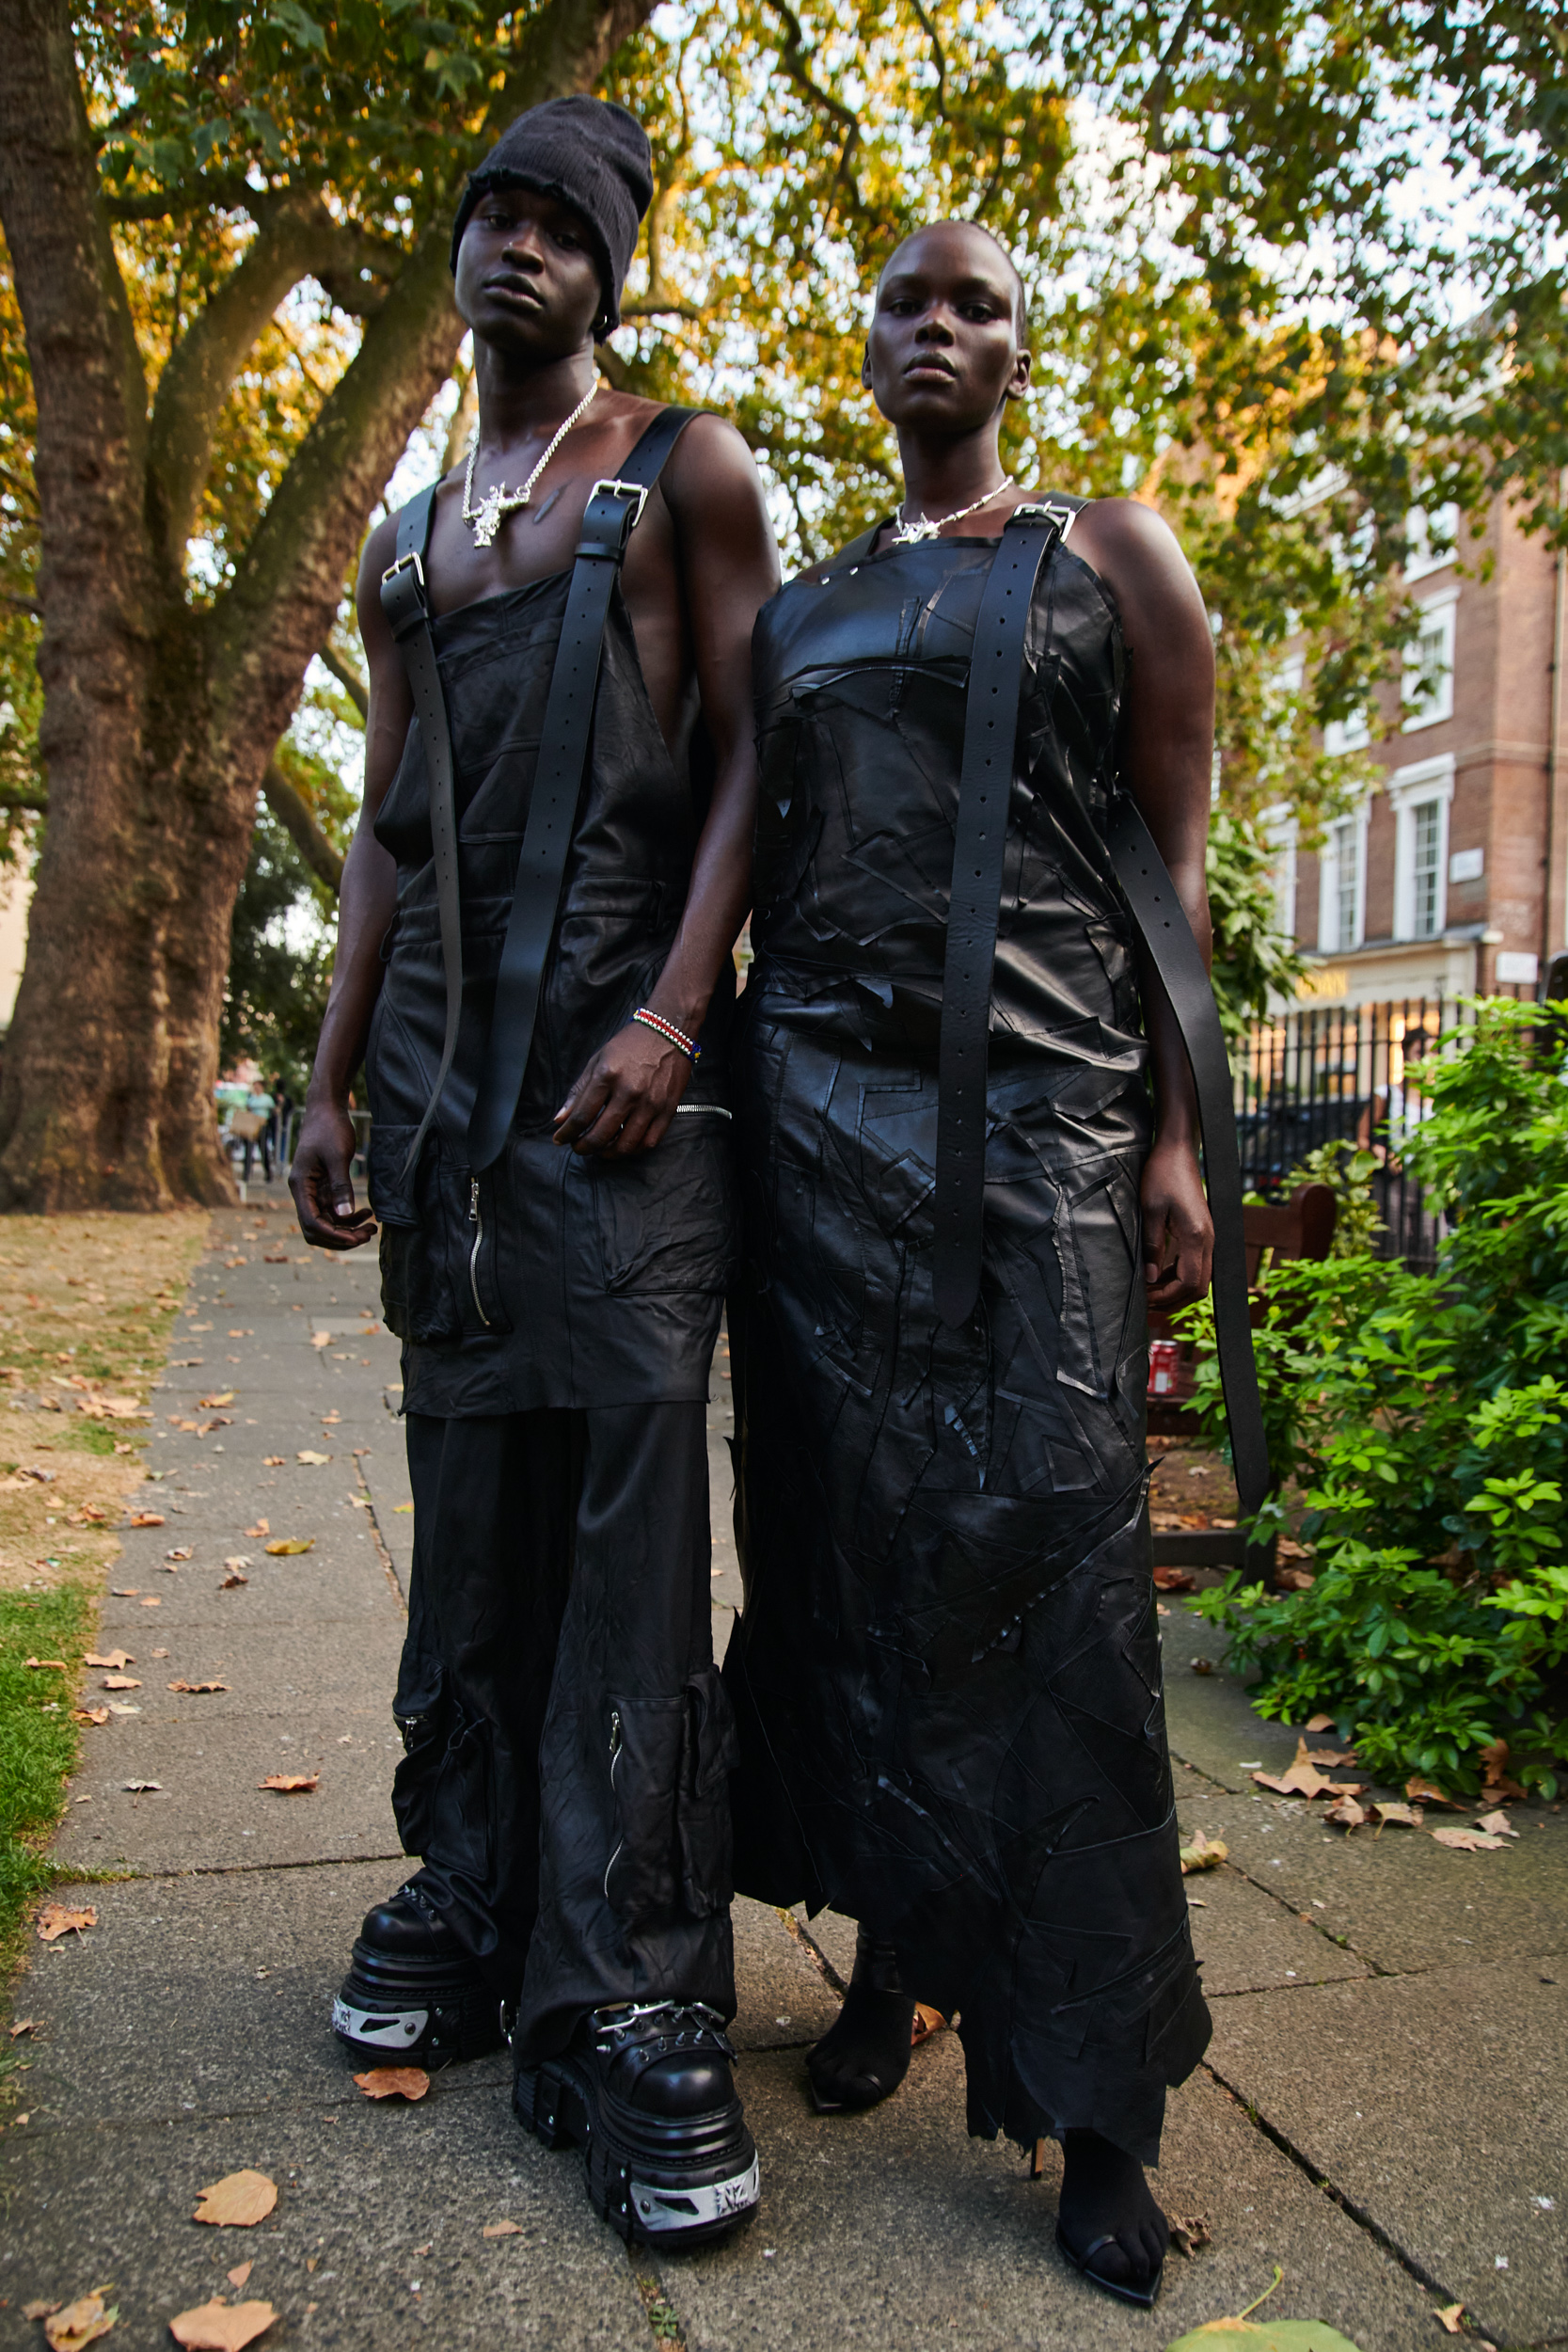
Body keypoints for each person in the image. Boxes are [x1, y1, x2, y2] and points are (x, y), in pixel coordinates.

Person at [289, 95, 780, 2247]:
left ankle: (641, 1991)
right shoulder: (408, 536)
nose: (515, 249)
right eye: (488, 214)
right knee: (470, 1523)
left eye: (557, 226)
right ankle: (476, 1893)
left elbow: (769, 744)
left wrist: (682, 1006)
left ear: (609, 266)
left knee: (633, 1533)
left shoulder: (687, 470)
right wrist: (327, 1078)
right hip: (443, 1110)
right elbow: (392, 820)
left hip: (625, 1099)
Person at [723, 219, 1218, 2308]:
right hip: (817, 1126)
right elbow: (756, 837)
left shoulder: (1107, 553)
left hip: (1040, 1122)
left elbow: (1176, 845)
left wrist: (1182, 1135)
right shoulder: (809, 605)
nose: (941, 328)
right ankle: (898, 1957)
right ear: (864, 354)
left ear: (1018, 345)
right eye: (906, 304)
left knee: (1063, 1573)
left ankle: (1099, 2099)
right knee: (846, 1560)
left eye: (977, 303)